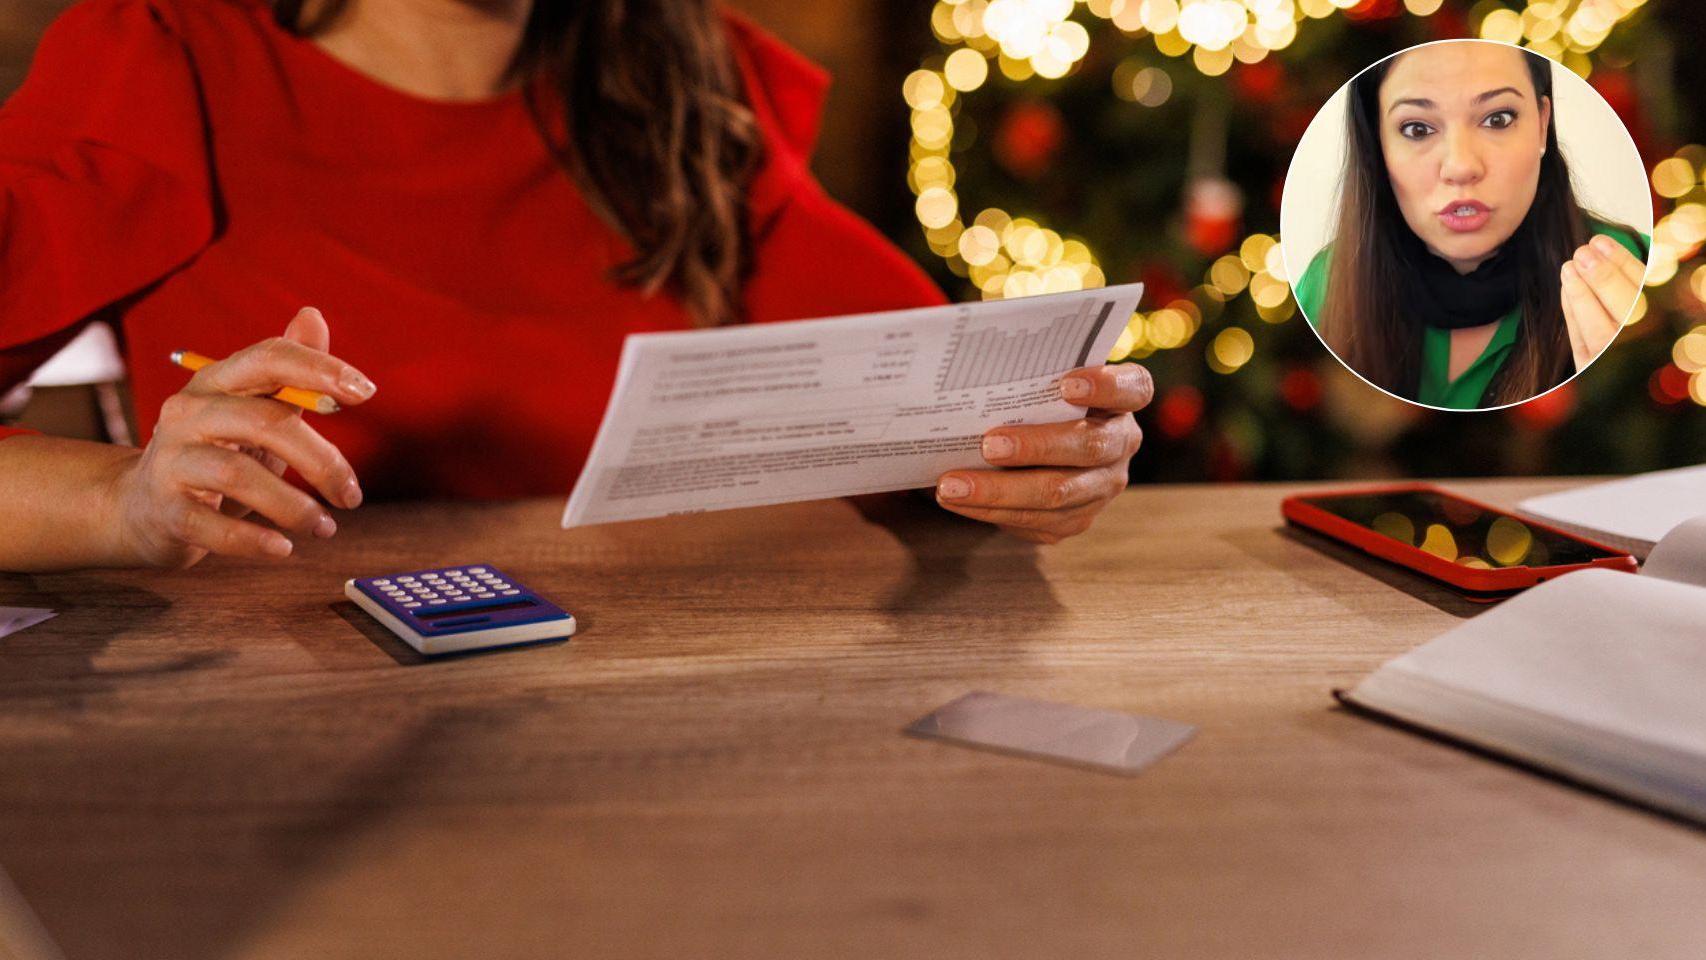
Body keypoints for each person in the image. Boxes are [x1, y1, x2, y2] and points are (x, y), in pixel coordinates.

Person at [0, 0, 1153, 572]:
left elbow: (971, 406)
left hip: (626, 756)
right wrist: (123, 502)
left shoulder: (680, 87)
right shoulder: (159, 54)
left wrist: (1054, 458)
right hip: (265, 783)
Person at [1292, 39, 1647, 409]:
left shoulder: (1636, 274)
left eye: (1498, 119)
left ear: (1542, 125)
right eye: (1416, 129)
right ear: (1377, 144)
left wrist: (1619, 387)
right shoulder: (1324, 287)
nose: (1461, 166)